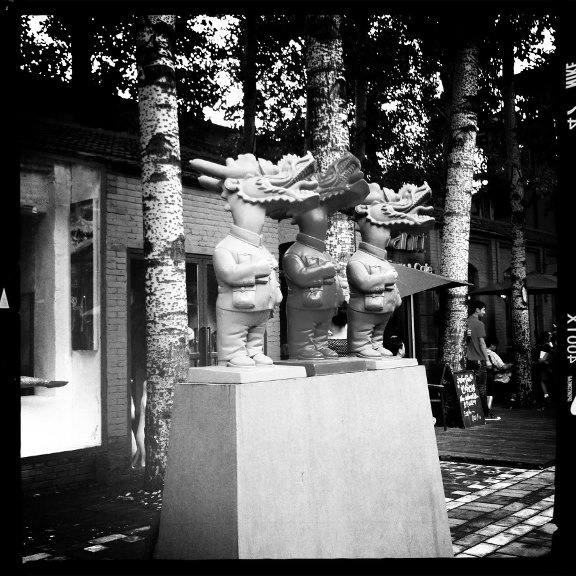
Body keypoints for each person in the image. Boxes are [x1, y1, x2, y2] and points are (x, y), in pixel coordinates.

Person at [467, 300, 500, 421]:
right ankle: (485, 413)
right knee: (481, 387)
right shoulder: (479, 324)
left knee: (471, 387)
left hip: (468, 359)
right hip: (478, 359)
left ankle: (474, 412)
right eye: (484, 310)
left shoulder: (466, 322)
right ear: (477, 309)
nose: (485, 312)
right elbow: (482, 343)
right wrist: (487, 360)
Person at [486, 336, 516, 410]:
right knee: (512, 382)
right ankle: (510, 402)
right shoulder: (492, 354)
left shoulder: (480, 352)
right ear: (492, 345)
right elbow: (503, 367)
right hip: (493, 376)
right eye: (495, 346)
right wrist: (510, 364)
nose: (496, 347)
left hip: (483, 375)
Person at [533, 330, 555, 406]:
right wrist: (545, 360)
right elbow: (542, 358)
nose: (551, 336)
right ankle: (546, 395)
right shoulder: (546, 346)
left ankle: (546, 395)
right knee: (544, 380)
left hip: (546, 365)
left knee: (544, 380)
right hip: (545, 366)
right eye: (550, 335)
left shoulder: (545, 345)